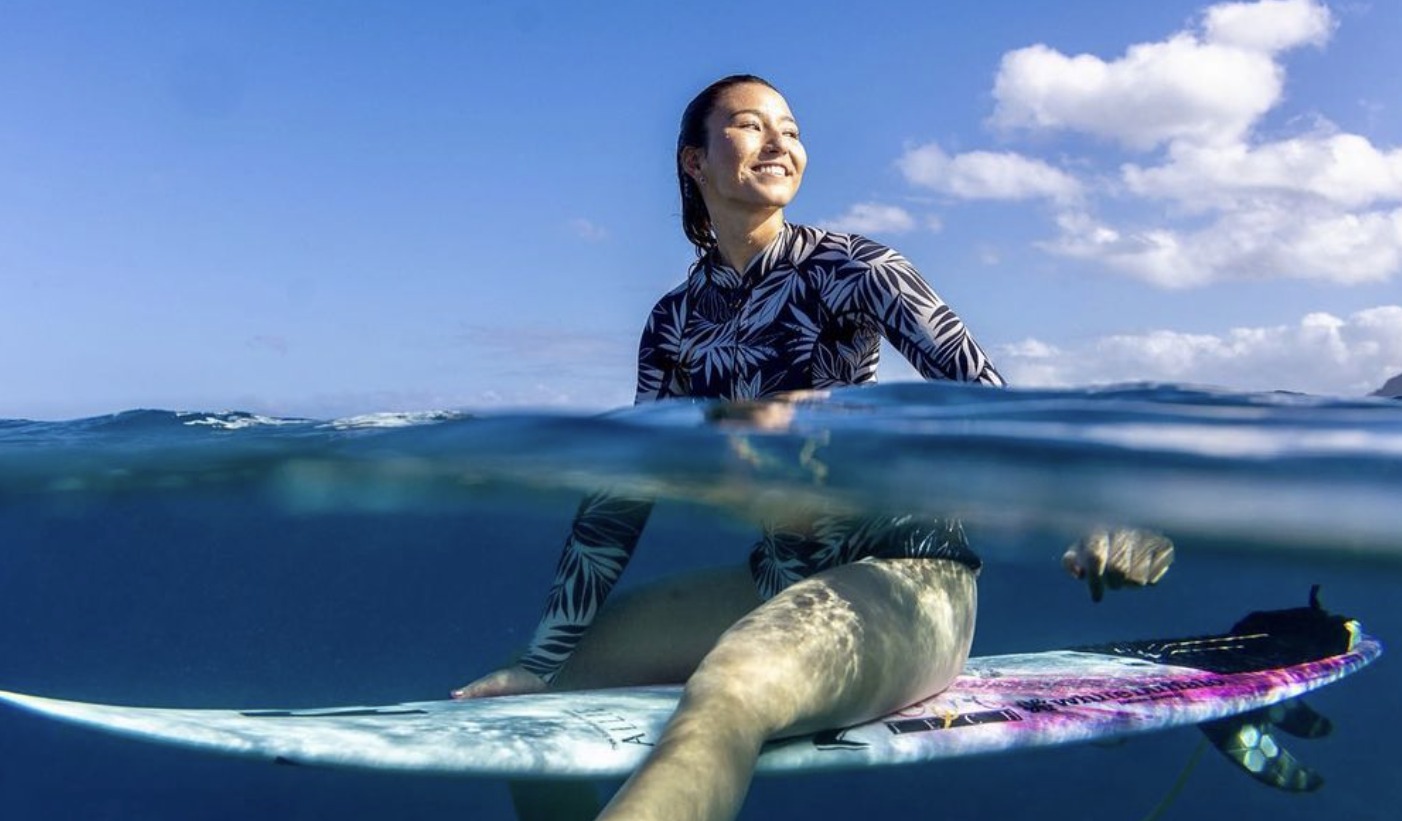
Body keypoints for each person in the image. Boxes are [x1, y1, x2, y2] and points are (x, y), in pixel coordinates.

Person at [454, 74, 1174, 821]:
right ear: (694, 161)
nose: (779, 142)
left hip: (908, 575)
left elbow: (982, 397)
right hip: (779, 578)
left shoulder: (857, 269)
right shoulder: (675, 323)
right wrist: (544, 656)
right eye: (750, 125)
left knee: (730, 691)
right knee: (532, 692)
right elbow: (629, 485)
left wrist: (1093, 510)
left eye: (791, 130)